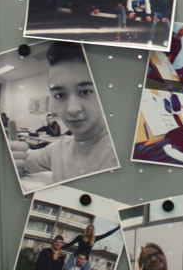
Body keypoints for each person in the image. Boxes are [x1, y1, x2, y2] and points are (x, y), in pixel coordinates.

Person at [8, 42, 118, 186]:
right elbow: (21, 164)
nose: (72, 109)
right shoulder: (58, 149)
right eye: (60, 95)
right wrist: (12, 160)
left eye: (85, 92)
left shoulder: (124, 151)